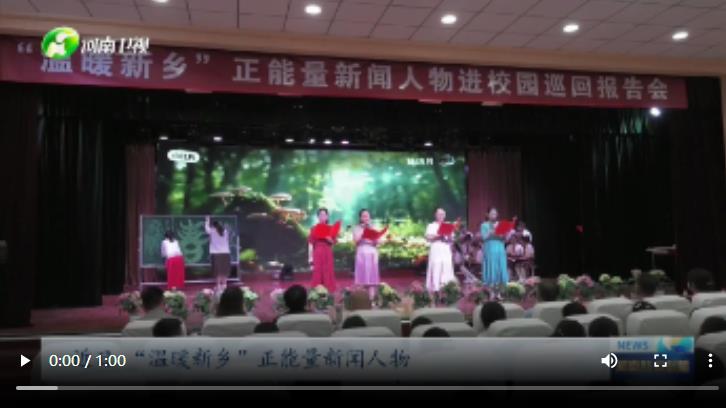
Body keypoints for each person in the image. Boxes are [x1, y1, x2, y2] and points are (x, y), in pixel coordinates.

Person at [424, 208, 457, 292]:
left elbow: (452, 239)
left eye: (442, 214)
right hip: (436, 249)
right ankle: (435, 288)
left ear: (445, 216)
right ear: (435, 215)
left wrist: (449, 237)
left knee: (446, 267)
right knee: (436, 267)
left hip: (445, 249)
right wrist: (438, 236)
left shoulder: (448, 225)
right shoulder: (431, 225)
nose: (441, 216)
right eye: (439, 214)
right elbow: (428, 237)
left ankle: (447, 287)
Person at [352, 209, 380, 300]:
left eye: (367, 216)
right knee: (362, 276)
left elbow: (378, 242)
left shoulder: (374, 227)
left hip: (372, 252)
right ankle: (361, 299)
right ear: (360, 218)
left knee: (372, 277)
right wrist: (364, 231)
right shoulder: (357, 228)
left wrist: (371, 230)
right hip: (362, 252)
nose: (366, 218)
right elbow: (356, 241)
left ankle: (371, 299)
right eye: (364, 216)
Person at [308, 208, 337, 292]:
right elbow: (311, 243)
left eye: (324, 215)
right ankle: (317, 292)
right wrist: (310, 258)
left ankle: (328, 292)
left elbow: (333, 242)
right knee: (318, 271)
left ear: (327, 216)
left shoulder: (331, 228)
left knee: (328, 271)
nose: (322, 216)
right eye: (320, 215)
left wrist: (329, 239)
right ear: (318, 216)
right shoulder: (314, 228)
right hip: (318, 251)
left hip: (327, 252)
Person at [481, 207, 508, 291]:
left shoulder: (501, 224)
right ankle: (490, 288)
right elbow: (484, 238)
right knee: (491, 266)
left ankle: (502, 289)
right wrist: (490, 232)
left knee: (500, 266)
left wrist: (503, 235)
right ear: (487, 215)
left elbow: (504, 238)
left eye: (495, 214)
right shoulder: (484, 225)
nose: (494, 215)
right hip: (490, 249)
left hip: (500, 249)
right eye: (492, 213)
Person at [205, 216, 231, 291]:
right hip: (226, 253)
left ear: (213, 226)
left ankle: (218, 286)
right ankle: (224, 285)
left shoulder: (212, 231)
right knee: (224, 270)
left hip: (216, 253)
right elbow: (227, 240)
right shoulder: (225, 231)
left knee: (218, 271)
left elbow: (206, 229)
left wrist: (207, 220)